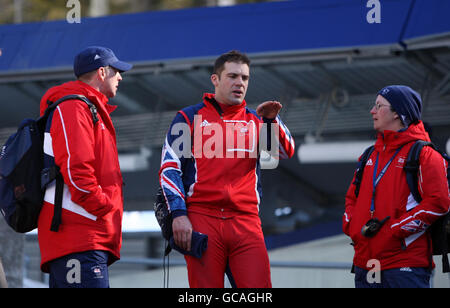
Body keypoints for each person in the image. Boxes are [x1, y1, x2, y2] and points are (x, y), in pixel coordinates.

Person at [159, 50, 295, 288]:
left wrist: (273, 121)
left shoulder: (257, 119)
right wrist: (179, 215)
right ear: (215, 79)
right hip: (202, 218)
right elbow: (169, 168)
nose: (239, 83)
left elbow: (283, 153)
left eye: (244, 78)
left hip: (246, 222)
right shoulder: (189, 117)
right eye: (232, 76)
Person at [37, 46, 132, 288]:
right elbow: (76, 169)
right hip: (79, 239)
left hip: (83, 238)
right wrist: (104, 208)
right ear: (102, 72)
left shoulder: (87, 107)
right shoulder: (73, 106)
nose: (120, 77)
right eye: (116, 71)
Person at [343, 85, 450, 288]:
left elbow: (439, 202)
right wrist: (353, 226)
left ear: (398, 114)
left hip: (405, 265)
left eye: (379, 106)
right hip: (365, 264)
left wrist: (395, 230)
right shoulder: (369, 155)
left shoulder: (425, 155)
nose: (372, 111)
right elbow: (351, 199)